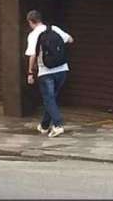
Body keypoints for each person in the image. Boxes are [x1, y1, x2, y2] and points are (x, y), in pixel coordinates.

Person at [24, 10, 74, 138]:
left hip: (46, 72)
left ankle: (58, 125)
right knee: (51, 99)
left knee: (49, 99)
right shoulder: (54, 29)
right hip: (62, 69)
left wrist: (30, 73)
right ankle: (45, 125)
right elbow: (70, 39)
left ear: (30, 22)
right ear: (40, 19)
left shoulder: (34, 35)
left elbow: (32, 55)